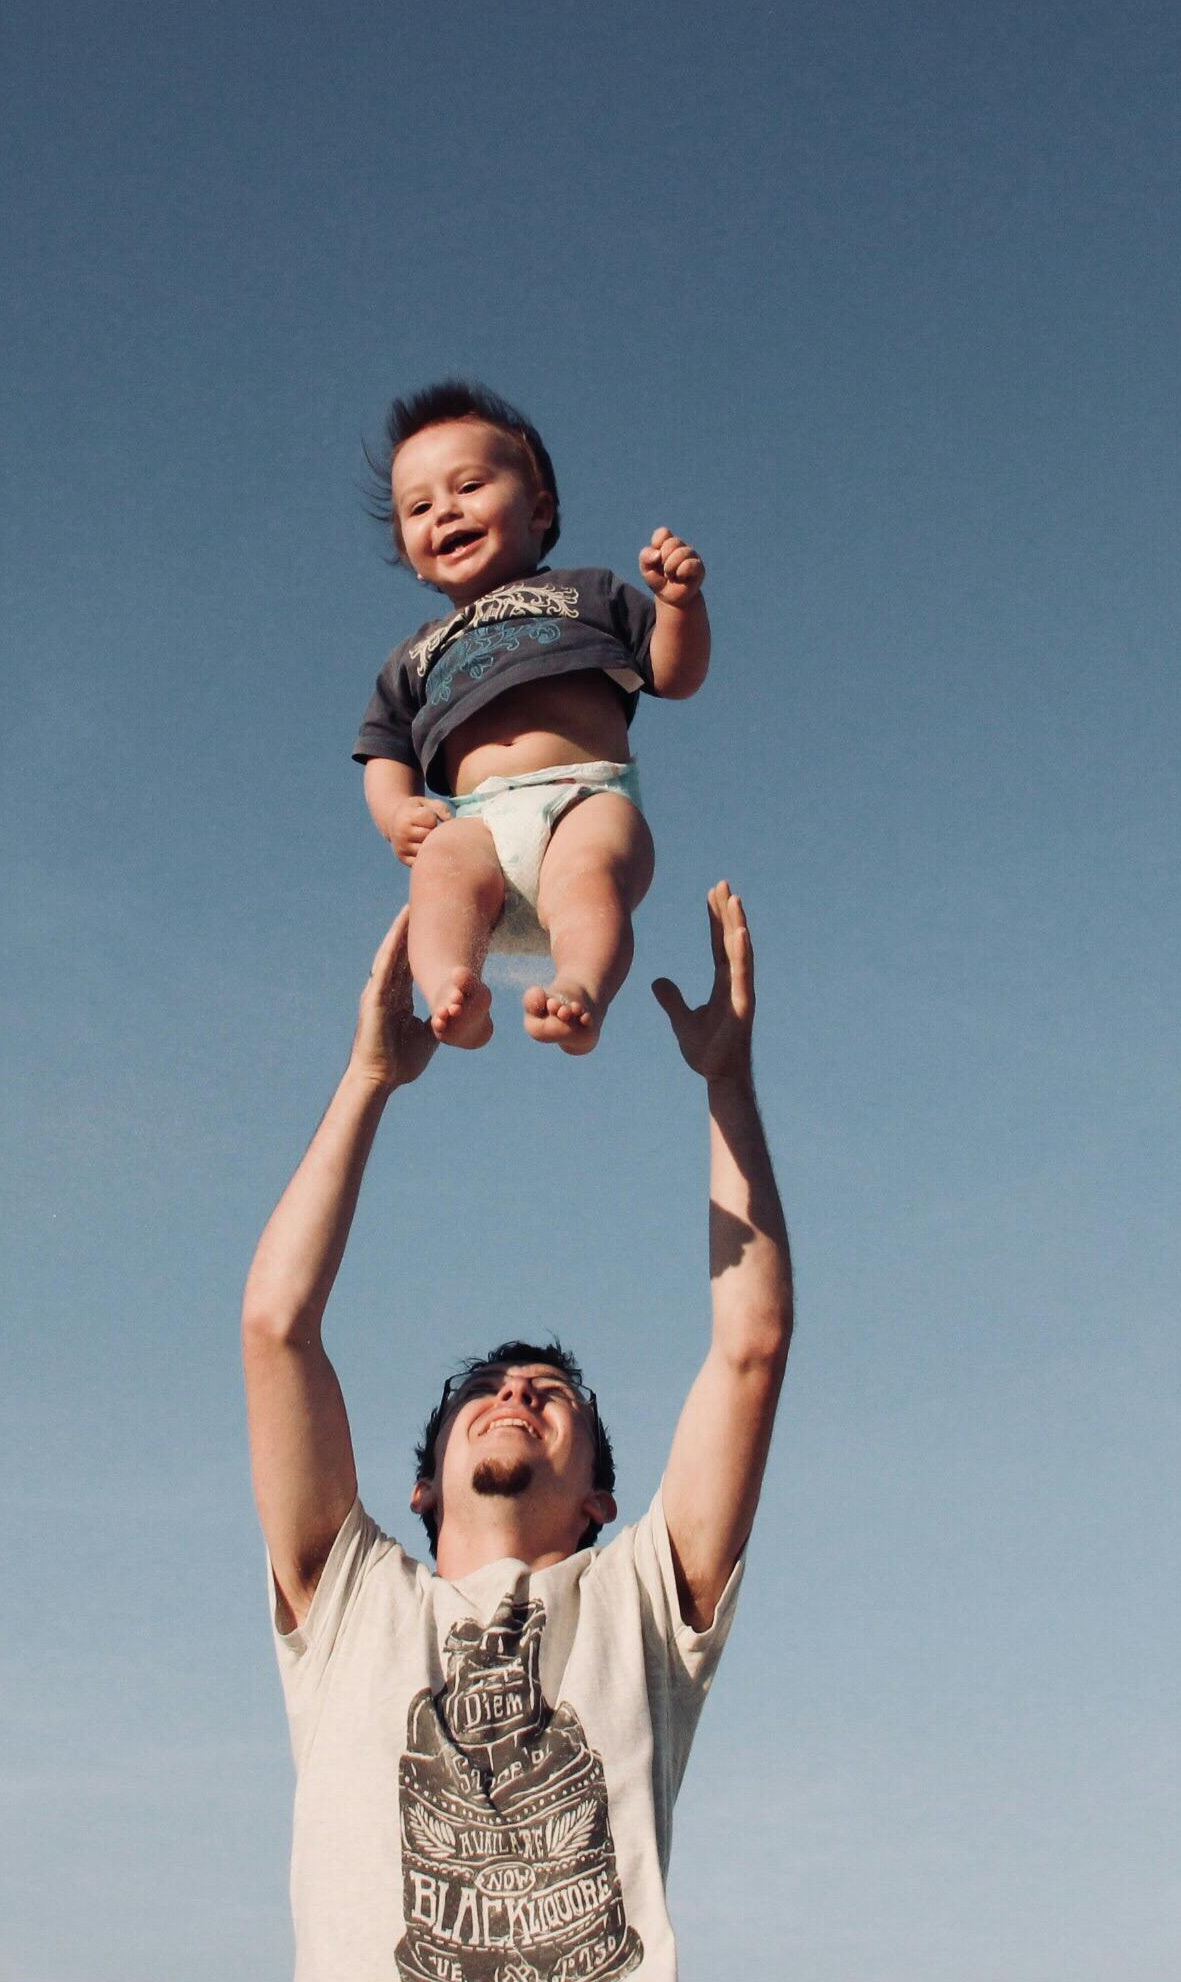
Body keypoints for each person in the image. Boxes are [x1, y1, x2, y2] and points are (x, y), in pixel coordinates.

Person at [241, 884, 792, 1980]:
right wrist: (367, 1081)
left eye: (553, 1395)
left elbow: (751, 1347)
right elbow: (276, 1329)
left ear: (600, 1501)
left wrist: (728, 1082)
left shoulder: (640, 1602)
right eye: (485, 1390)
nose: (516, 1395)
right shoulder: (353, 1604)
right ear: (421, 1488)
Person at [354, 380, 711, 1056]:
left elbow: (674, 675)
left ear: (539, 508)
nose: (445, 512)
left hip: (587, 797)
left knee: (587, 880)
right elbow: (384, 750)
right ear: (408, 551)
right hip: (476, 821)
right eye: (421, 506)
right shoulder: (416, 655)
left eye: (469, 487)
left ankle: (580, 989)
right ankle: (452, 990)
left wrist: (678, 607)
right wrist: (397, 813)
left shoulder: (587, 593)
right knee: (439, 872)